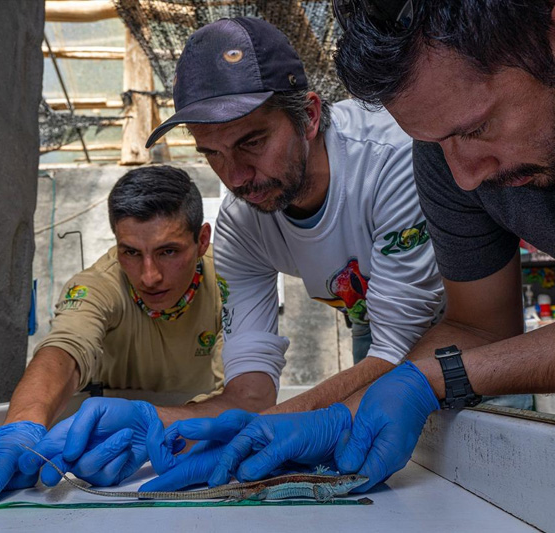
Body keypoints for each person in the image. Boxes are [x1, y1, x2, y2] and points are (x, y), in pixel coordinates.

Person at [164, 0, 555, 494]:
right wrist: (341, 416)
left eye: (476, 128)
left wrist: (429, 380)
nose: (466, 181)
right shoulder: (444, 151)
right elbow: (477, 326)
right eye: (439, 142)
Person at [29, 16, 445, 492]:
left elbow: (399, 351)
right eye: (213, 155)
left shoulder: (392, 160)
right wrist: (157, 421)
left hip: (456, 315)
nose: (237, 177)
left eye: (252, 143)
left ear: (309, 116)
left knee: (482, 434)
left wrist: (274, 426)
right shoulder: (242, 223)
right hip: (374, 321)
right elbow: (251, 390)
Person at [0, 165, 230, 510]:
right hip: (99, 447)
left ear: (202, 241)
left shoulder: (233, 281)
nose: (150, 276)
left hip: (191, 435)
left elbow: (247, 393)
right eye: (130, 252)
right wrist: (20, 429)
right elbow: (63, 350)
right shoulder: (97, 285)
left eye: (168, 252)